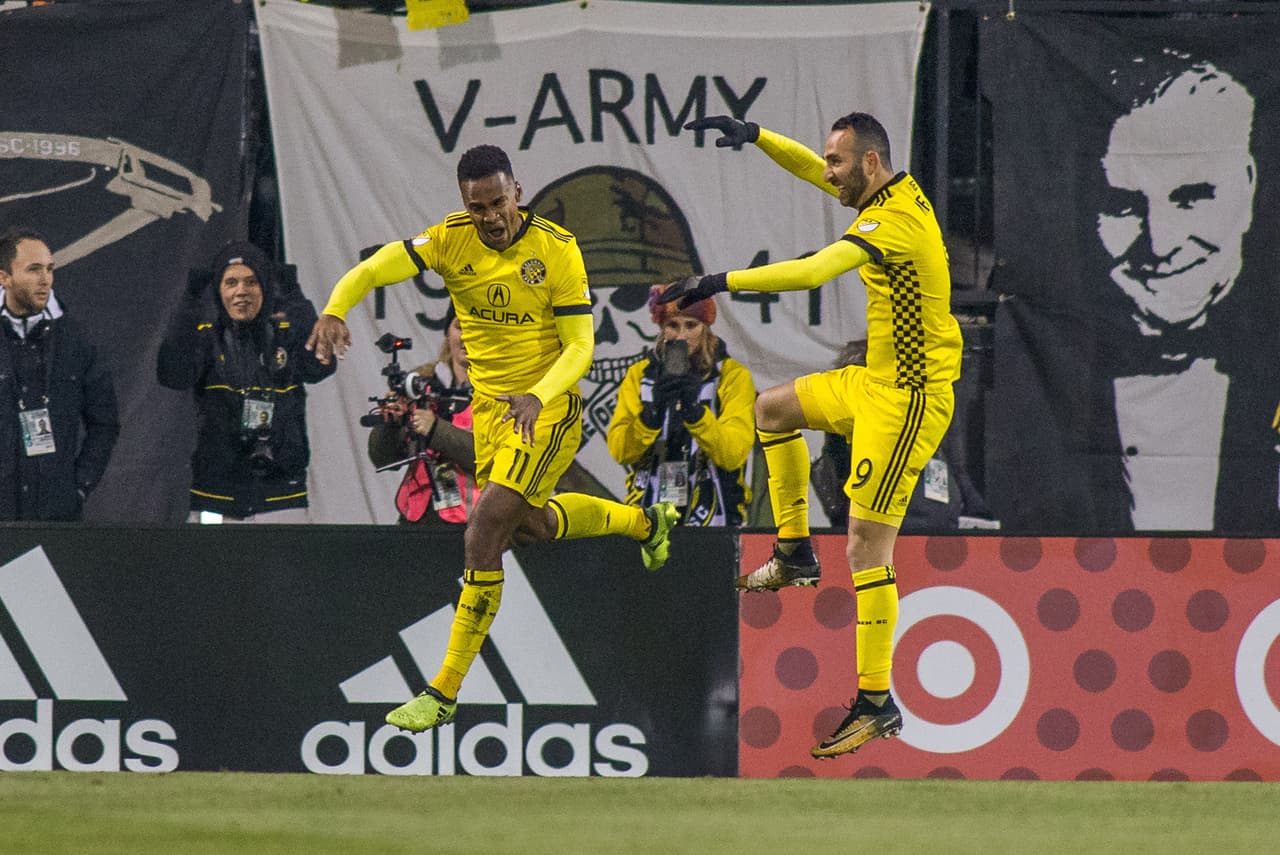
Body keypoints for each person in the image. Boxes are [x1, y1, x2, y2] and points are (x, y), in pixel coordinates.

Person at [306, 143, 681, 733]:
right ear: (465, 203)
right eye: (477, 206)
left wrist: (538, 393)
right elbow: (377, 267)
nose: (489, 217)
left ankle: (443, 689)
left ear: (518, 193)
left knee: (484, 526)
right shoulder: (450, 239)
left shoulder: (556, 250)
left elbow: (582, 347)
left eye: (498, 202)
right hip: (491, 414)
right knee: (533, 525)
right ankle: (644, 523)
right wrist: (335, 307)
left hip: (549, 408)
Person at [667, 112, 962, 758]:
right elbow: (811, 169)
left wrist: (714, 283)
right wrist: (760, 136)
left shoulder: (893, 222)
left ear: (872, 164)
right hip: (872, 381)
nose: (827, 173)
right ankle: (796, 552)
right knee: (772, 410)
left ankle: (877, 701)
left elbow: (809, 274)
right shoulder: (886, 190)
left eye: (838, 162)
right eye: (827, 160)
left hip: (910, 400)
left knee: (865, 546)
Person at [1091, 53, 1270, 531]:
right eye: (1124, 204)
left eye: (1193, 197)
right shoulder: (1046, 381)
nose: (1161, 242)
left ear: (1248, 189)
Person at [157, 241, 337, 522]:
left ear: (265, 288)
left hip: (281, 494)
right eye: (231, 283)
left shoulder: (284, 336)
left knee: (285, 568)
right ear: (219, 291)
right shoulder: (208, 338)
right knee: (211, 568)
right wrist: (189, 302)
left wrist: (294, 295)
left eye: (251, 282)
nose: (241, 291)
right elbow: (173, 374)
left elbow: (319, 366)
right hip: (216, 495)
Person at [607, 282, 755, 526]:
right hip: (647, 512)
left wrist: (696, 414)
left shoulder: (732, 376)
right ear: (662, 329)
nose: (682, 335)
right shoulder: (640, 375)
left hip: (718, 516)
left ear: (706, 327)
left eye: (691, 325)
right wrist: (650, 417)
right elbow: (620, 451)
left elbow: (733, 454)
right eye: (672, 325)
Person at [0, 226, 119, 521]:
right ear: (4, 277)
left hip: (55, 516)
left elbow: (105, 423)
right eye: (33, 269)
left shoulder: (75, 341)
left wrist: (78, 487)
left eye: (50, 269)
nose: (45, 280)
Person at [366, 311, 478, 527]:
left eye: (477, 328)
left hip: (471, 525)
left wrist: (436, 430)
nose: (467, 337)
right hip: (416, 518)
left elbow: (494, 458)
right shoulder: (420, 384)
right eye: (460, 327)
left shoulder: (502, 391)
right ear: (448, 333)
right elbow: (383, 459)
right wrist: (391, 424)